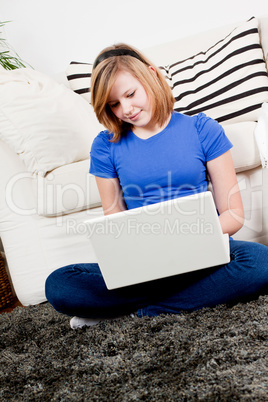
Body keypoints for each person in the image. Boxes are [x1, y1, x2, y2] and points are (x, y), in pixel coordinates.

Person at [45, 43, 268, 329]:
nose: (126, 109)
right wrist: (150, 245)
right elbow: (113, 216)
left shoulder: (202, 129)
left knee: (260, 261)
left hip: (203, 252)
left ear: (150, 75)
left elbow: (233, 214)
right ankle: (189, 296)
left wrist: (186, 237)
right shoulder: (105, 146)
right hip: (144, 262)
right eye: (114, 104)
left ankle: (140, 311)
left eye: (130, 94)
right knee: (60, 284)